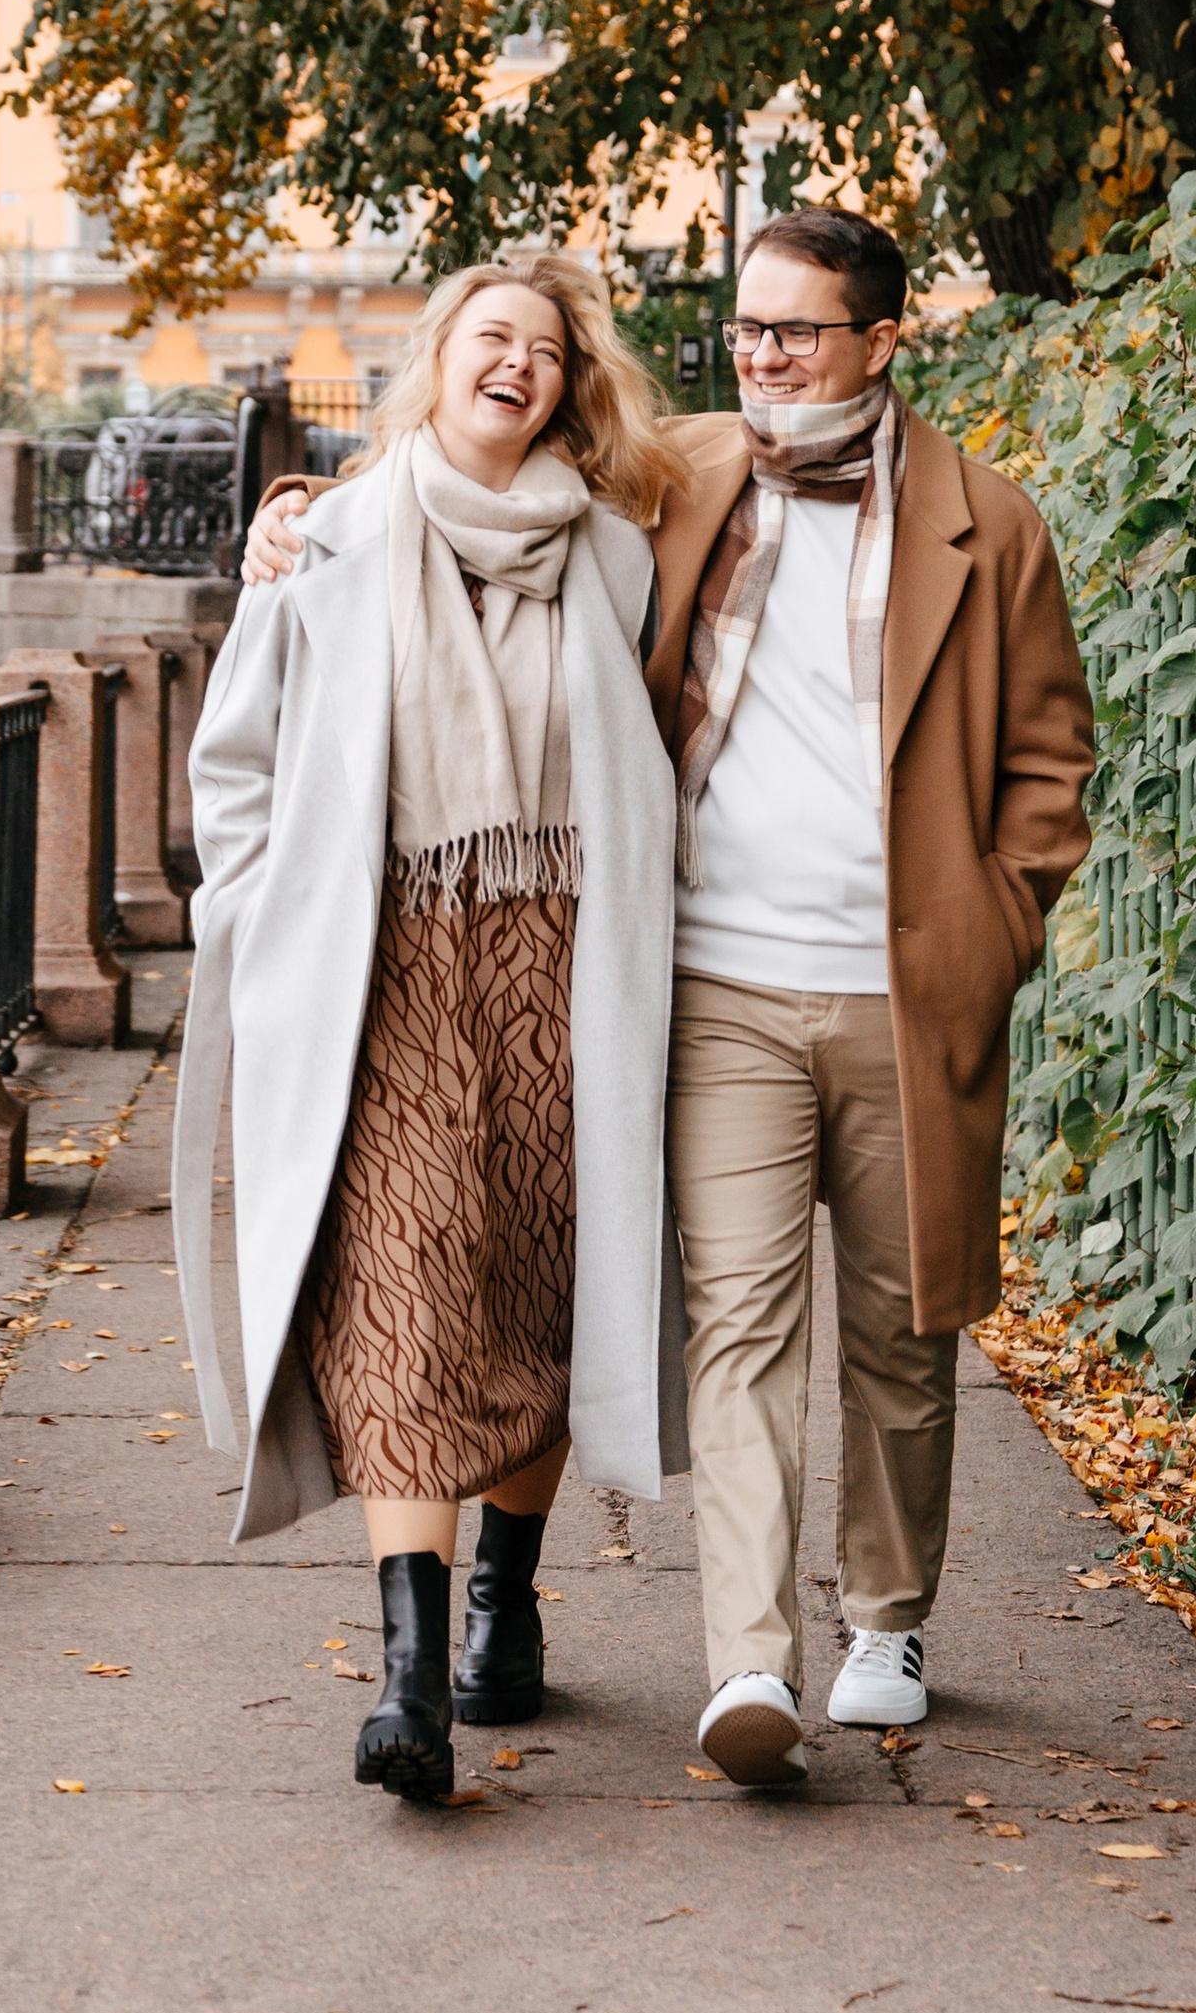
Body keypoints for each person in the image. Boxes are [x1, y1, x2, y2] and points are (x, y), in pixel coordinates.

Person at [246, 207, 1095, 1789]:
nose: (763, 356)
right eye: (749, 329)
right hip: (714, 978)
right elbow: (468, 461)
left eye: (797, 331)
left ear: (881, 341)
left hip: (907, 992)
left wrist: (994, 926)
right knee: (739, 1328)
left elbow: (1050, 763)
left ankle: (888, 1620)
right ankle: (747, 1661)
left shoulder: (990, 523)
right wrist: (295, 513)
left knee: (907, 1332)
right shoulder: (684, 473)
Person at [172, 251, 690, 1802]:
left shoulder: (614, 553)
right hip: (380, 960)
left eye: (545, 345)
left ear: (570, 382)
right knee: (401, 1276)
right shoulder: (324, 535)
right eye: (492, 335)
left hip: (562, 955)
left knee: (537, 1280)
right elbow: (237, 760)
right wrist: (258, 923)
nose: (517, 361)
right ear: (440, 358)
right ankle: (405, 1679)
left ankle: (504, 1600)